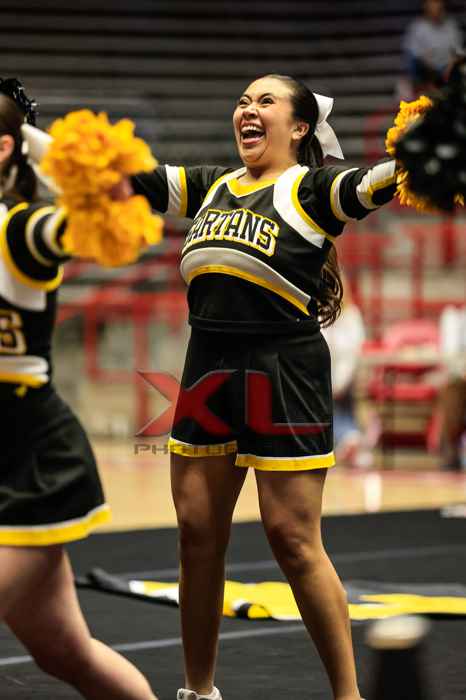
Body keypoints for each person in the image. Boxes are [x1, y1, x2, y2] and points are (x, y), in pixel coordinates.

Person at [132, 73, 399, 700]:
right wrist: (39, 144)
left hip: (285, 370)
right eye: (243, 101)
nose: (249, 110)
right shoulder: (211, 186)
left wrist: (424, 148)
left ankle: (348, 696)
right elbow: (129, 179)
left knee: (293, 538)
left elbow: (373, 184)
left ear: (300, 127)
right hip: (208, 365)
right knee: (197, 534)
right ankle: (199, 691)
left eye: (266, 101)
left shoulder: (310, 189)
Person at [0, 78, 157, 700]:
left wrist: (79, 170)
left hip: (28, 461)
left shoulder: (20, 232)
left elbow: (84, 226)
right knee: (68, 655)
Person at [403, 0, 462, 96]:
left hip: (448, 70)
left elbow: (458, 51)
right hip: (427, 71)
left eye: (438, 4)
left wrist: (451, 66)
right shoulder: (417, 28)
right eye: (432, 4)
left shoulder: (451, 26)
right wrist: (432, 69)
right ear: (425, 7)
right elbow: (414, 55)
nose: (435, 8)